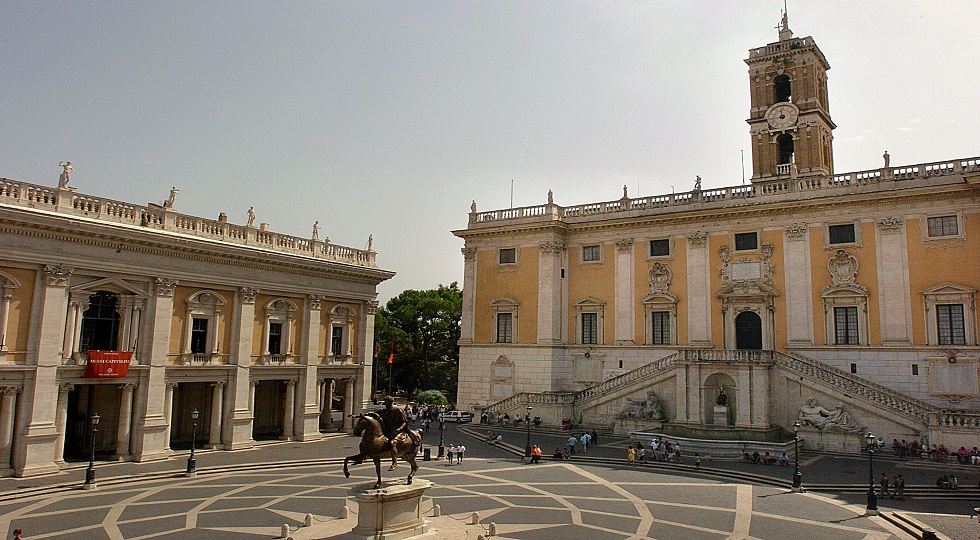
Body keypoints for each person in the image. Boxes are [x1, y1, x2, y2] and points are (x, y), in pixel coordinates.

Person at [377, 396, 417, 471]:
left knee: (393, 443)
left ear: (390, 402)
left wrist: (399, 429)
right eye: (385, 402)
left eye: (386, 402)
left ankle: (394, 462)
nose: (385, 403)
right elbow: (372, 414)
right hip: (387, 431)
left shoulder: (397, 410)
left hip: (398, 432)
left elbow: (404, 422)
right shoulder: (382, 411)